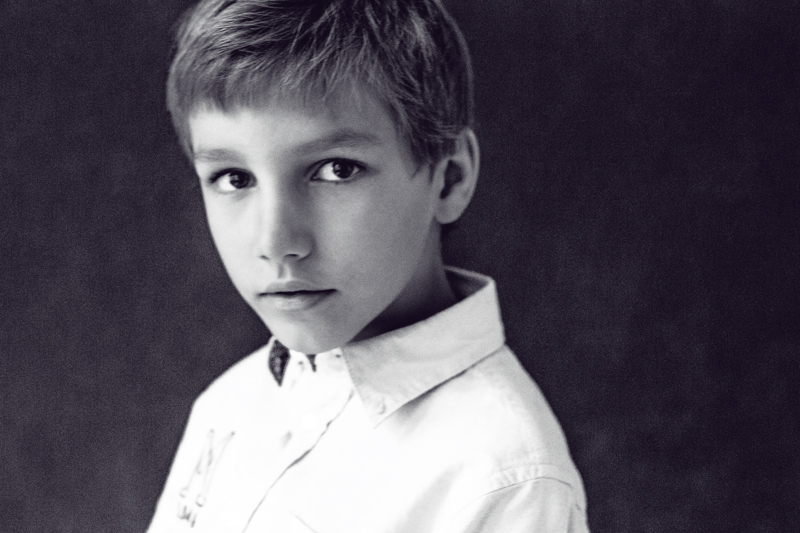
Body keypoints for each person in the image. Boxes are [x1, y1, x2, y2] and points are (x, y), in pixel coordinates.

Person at [147, 0, 589, 531]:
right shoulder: (229, 406)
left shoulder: (500, 477)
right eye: (234, 179)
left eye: (336, 170)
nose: (276, 242)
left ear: (449, 179)